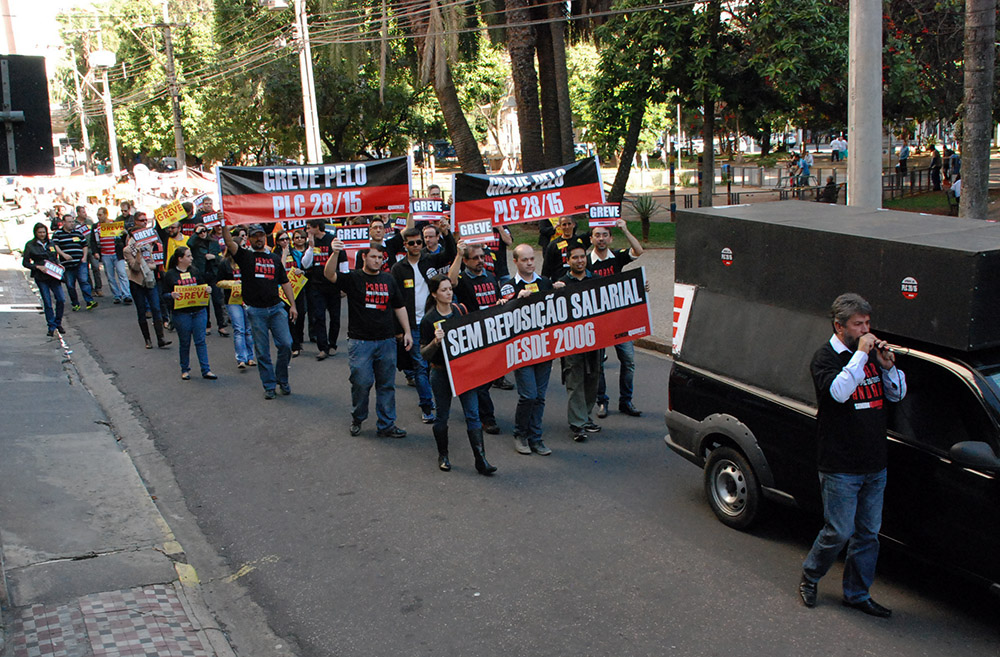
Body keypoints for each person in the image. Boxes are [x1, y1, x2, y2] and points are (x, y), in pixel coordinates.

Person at [799, 293, 906, 617]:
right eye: (858, 324)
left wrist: (888, 369)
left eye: (868, 323)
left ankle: (857, 594)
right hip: (841, 466)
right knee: (839, 531)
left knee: (868, 534)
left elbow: (897, 395)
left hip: (874, 464)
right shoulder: (825, 359)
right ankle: (811, 575)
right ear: (839, 326)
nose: (865, 330)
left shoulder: (872, 357)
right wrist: (860, 356)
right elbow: (838, 393)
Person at [324, 241, 412, 438]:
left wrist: (407, 331)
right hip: (360, 342)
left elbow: (399, 306)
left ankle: (387, 424)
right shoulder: (354, 278)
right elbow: (329, 275)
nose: (377, 261)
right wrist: (335, 253)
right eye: (373, 256)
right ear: (364, 257)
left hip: (387, 341)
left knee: (386, 384)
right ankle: (358, 417)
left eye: (380, 258)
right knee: (361, 383)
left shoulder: (389, 280)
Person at [420, 275, 496, 475]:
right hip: (441, 372)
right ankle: (443, 455)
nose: (448, 293)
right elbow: (423, 354)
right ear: (434, 294)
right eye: (444, 290)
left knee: (473, 414)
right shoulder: (429, 319)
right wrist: (435, 343)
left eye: (450, 289)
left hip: (463, 371)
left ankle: (481, 459)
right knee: (442, 416)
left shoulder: (460, 310)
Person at [222, 224, 297, 399]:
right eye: (255, 236)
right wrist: (223, 224)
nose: (259, 239)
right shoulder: (245, 256)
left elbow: (285, 282)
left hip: (277, 308)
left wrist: (292, 305)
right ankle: (269, 385)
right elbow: (228, 241)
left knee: (286, 344)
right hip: (256, 311)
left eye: (261, 235)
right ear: (249, 239)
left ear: (265, 237)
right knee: (262, 351)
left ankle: (282, 379)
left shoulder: (274, 258)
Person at [390, 226, 452, 424]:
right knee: (420, 365)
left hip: (432, 320)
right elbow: (395, 300)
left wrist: (447, 233)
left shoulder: (429, 260)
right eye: (412, 243)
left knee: (435, 363)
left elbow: (450, 253)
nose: (416, 246)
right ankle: (427, 405)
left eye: (419, 242)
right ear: (405, 245)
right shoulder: (398, 269)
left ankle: (439, 398)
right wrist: (400, 329)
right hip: (411, 324)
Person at [448, 240, 506, 433]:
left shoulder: (490, 276)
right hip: (474, 337)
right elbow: (452, 280)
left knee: (487, 379)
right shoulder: (463, 280)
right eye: (475, 258)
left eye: (482, 257)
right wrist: (458, 254)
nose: (480, 261)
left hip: (493, 334)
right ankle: (487, 418)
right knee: (480, 383)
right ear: (466, 261)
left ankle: (473, 408)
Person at [509, 243, 561, 456]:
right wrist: (514, 301)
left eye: (532, 259)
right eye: (525, 260)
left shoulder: (545, 282)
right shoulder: (509, 285)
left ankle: (536, 437)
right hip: (521, 350)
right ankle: (520, 433)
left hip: (543, 348)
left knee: (539, 396)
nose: (530, 263)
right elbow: (500, 315)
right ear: (515, 262)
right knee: (528, 395)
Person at [588, 218, 644, 418]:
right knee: (598, 365)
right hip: (598, 322)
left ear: (610, 239)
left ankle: (626, 401)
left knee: (628, 360)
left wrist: (625, 229)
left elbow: (638, 251)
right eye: (597, 235)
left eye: (605, 235)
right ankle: (601, 401)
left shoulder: (618, 257)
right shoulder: (585, 262)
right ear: (592, 238)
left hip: (620, 319)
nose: (601, 239)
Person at [559, 244, 602, 441]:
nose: (580, 261)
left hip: (595, 338)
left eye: (582, 257)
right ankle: (577, 424)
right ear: (568, 261)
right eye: (575, 258)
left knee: (593, 377)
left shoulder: (598, 281)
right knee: (574, 380)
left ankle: (585, 416)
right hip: (571, 340)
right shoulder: (561, 283)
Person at [162, 246, 217, 380]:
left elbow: (203, 285)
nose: (191, 258)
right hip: (181, 314)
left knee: (200, 341)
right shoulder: (170, 274)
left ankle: (206, 370)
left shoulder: (195, 271)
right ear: (180, 259)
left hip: (198, 311)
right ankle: (185, 369)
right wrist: (171, 295)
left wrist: (208, 289)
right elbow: (163, 295)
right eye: (188, 256)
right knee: (185, 342)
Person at [123, 215, 171, 349]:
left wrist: (148, 263)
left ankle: (161, 338)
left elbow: (154, 264)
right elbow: (136, 267)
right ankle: (147, 340)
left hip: (150, 281)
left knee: (156, 308)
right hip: (137, 283)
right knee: (142, 311)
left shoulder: (148, 246)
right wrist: (138, 255)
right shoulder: (127, 250)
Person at [302, 219, 346, 360]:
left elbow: (343, 261)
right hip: (316, 286)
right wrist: (310, 247)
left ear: (317, 227)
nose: (307, 231)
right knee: (318, 317)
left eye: (309, 228)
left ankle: (332, 344)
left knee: (335, 318)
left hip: (333, 286)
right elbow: (306, 264)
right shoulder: (311, 243)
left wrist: (344, 285)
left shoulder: (332, 240)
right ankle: (323, 347)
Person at [216, 234, 256, 369]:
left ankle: (251, 357)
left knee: (249, 329)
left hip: (247, 298)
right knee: (239, 329)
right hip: (232, 300)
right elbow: (219, 282)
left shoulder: (247, 261)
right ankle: (241, 358)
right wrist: (233, 283)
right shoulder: (224, 263)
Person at [21, 222, 65, 336]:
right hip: (41, 277)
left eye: (43, 232)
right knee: (47, 302)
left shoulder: (51, 243)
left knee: (61, 299)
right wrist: (37, 267)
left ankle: (58, 322)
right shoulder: (30, 245)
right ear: (36, 233)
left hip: (54, 276)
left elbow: (55, 258)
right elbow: (25, 262)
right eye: (39, 232)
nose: (42, 234)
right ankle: (51, 326)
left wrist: (59, 265)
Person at [187, 223, 228, 336]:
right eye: (200, 232)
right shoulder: (194, 244)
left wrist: (214, 257)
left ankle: (221, 326)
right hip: (201, 274)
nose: (203, 233)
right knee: (204, 302)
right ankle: (207, 325)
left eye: (204, 231)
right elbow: (189, 243)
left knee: (217, 300)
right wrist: (196, 233)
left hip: (213, 274)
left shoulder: (213, 242)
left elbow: (221, 257)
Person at [52, 214, 98, 311]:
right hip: (67, 264)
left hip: (80, 262)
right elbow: (55, 246)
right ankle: (75, 303)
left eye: (73, 221)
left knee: (84, 281)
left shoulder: (78, 232)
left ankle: (89, 301)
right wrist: (63, 255)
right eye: (69, 222)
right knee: (70, 285)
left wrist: (84, 257)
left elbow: (84, 245)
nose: (72, 224)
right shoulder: (58, 234)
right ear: (64, 223)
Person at [96, 206, 132, 304]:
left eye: (100, 215)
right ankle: (117, 295)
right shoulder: (96, 227)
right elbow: (94, 240)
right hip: (105, 254)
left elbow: (124, 235)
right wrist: (96, 252)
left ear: (105, 215)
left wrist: (124, 232)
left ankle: (126, 294)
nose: (98, 217)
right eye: (97, 215)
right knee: (110, 276)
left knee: (122, 273)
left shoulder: (114, 224)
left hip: (117, 253)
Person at [541, 216, 590, 280]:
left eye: (569, 224)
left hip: (578, 281)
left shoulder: (580, 241)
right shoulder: (553, 245)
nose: (567, 227)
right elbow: (546, 268)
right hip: (560, 281)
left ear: (574, 224)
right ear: (560, 226)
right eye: (564, 224)